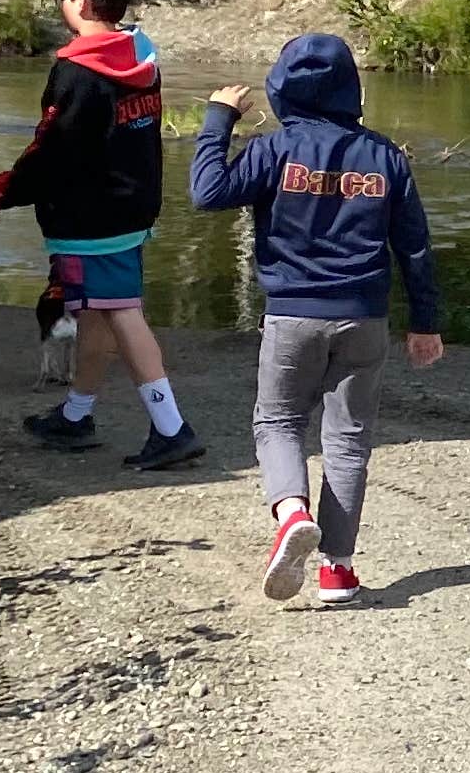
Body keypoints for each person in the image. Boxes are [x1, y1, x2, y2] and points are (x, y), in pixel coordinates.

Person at [186, 31, 444, 607]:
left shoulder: (273, 150)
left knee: (278, 421)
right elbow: (415, 247)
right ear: (351, 87)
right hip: (364, 318)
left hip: (292, 316)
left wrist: (219, 119)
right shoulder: (385, 156)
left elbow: (206, 192)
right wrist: (425, 322)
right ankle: (337, 571)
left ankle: (292, 514)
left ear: (281, 87)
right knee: (348, 441)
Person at [0, 0, 199, 470]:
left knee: (122, 312)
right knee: (97, 310)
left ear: (80, 1)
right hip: (134, 205)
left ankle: (171, 428)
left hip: (89, 217)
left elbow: (53, 145)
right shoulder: (142, 56)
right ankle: (76, 414)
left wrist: (9, 189)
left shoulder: (76, 71)